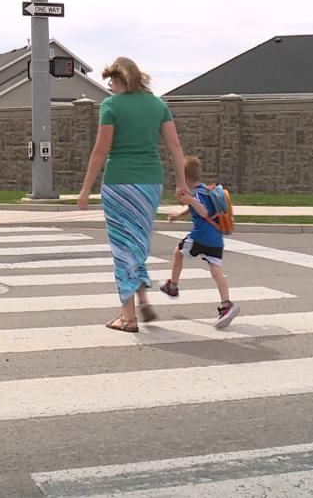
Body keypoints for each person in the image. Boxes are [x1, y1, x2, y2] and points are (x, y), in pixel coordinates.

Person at [78, 57, 189, 333]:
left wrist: (85, 189)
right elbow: (175, 146)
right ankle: (140, 300)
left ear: (119, 79)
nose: (110, 88)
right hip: (151, 183)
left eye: (111, 82)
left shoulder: (111, 106)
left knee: (122, 248)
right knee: (137, 243)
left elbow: (101, 151)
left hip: (119, 184)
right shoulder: (158, 105)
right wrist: (182, 184)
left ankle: (128, 317)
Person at [161, 156, 239, 329]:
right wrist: (178, 215)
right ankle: (227, 305)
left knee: (178, 251)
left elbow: (202, 211)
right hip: (215, 238)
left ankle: (172, 286)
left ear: (185, 179)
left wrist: (189, 200)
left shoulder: (196, 194)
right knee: (216, 271)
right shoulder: (205, 190)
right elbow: (194, 208)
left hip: (201, 236)